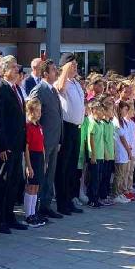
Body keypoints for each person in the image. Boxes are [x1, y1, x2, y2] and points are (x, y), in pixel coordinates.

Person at [0, 56, 28, 233]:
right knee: (3, 183)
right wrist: (1, 146)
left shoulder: (16, 88)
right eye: (13, 67)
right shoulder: (1, 89)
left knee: (14, 182)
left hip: (17, 144)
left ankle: (10, 216)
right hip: (7, 146)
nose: (16, 69)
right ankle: (0, 220)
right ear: (4, 71)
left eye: (16, 66)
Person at [28, 60, 64, 218]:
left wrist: (59, 139)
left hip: (54, 140)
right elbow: (32, 116)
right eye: (53, 70)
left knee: (50, 174)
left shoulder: (53, 90)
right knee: (40, 174)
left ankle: (46, 205)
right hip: (42, 141)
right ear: (45, 74)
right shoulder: (39, 90)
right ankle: (35, 208)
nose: (56, 72)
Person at [54, 53, 86, 215]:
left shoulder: (76, 83)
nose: (75, 67)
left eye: (76, 65)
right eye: (72, 65)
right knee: (63, 166)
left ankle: (70, 199)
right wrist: (65, 70)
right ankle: (62, 203)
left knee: (73, 166)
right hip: (66, 128)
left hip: (77, 128)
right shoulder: (62, 82)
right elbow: (59, 88)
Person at [23, 99, 47, 228]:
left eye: (40, 111)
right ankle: (28, 216)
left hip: (39, 158)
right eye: (37, 110)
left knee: (36, 186)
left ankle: (33, 213)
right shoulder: (28, 126)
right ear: (30, 111)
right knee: (30, 187)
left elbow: (42, 146)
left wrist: (44, 161)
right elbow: (26, 148)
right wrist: (28, 166)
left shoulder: (39, 126)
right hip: (32, 157)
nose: (39, 113)